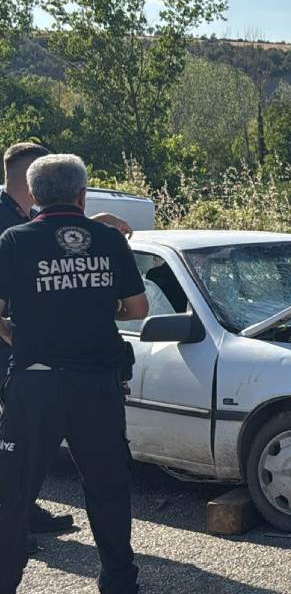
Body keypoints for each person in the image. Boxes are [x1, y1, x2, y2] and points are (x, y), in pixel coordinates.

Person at [0, 153, 148, 593]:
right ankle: (120, 583)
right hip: (96, 386)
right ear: (82, 194)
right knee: (108, 491)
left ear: (34, 195)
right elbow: (138, 309)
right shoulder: (106, 239)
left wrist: (17, 335)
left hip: (36, 383)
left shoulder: (13, 240)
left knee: (13, 496)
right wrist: (100, 306)